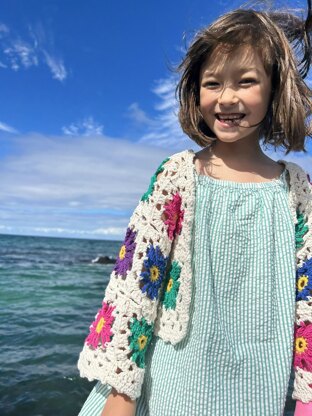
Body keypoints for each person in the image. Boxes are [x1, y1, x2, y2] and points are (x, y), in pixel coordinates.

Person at [76, 2, 312, 415]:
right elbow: (134, 289)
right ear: (195, 91)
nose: (227, 97)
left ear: (274, 88)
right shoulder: (177, 176)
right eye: (213, 83)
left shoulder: (296, 188)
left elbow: (307, 295)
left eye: (246, 81)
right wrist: (121, 393)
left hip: (263, 384)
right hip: (176, 378)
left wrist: (307, 393)